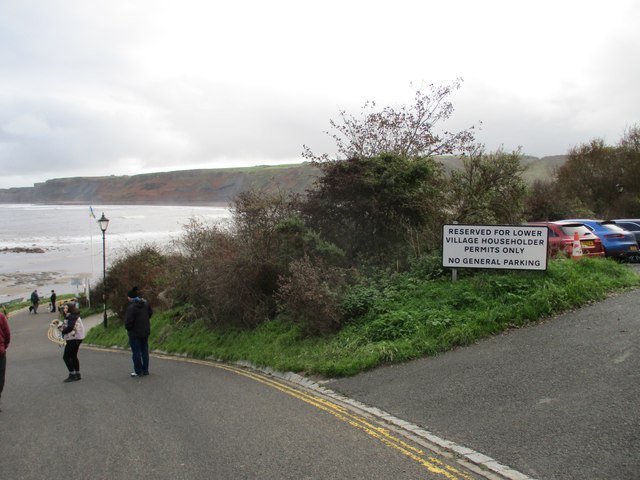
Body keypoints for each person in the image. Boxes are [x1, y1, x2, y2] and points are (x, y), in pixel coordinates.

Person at [125, 287, 153, 377]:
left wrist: (129, 329)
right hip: (145, 331)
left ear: (131, 297)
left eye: (128, 297)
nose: (127, 298)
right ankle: (145, 370)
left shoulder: (131, 308)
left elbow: (128, 322)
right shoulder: (145, 304)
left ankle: (138, 371)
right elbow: (150, 313)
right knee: (144, 351)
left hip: (134, 333)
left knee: (136, 352)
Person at [58, 303, 85, 382]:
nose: (65, 310)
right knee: (73, 356)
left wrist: (62, 331)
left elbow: (70, 327)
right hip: (76, 338)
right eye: (64, 308)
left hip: (74, 339)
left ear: (71, 308)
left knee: (66, 357)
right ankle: (77, 374)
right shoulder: (72, 315)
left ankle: (72, 374)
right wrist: (61, 327)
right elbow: (67, 325)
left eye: (66, 308)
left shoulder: (72, 316)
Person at [0, 310, 10, 411]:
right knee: (0, 377)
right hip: (0, 352)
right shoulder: (1, 317)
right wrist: (4, 345)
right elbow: (7, 334)